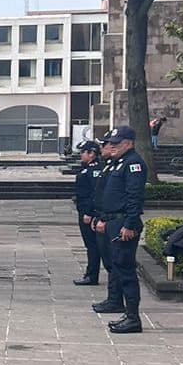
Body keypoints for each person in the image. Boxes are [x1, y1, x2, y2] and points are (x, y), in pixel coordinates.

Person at [92, 125, 147, 334]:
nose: (111, 147)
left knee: (126, 270)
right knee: (116, 266)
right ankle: (121, 306)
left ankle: (133, 317)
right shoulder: (118, 163)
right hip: (113, 221)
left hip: (123, 223)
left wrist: (129, 224)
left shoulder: (134, 164)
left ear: (129, 143)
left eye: (116, 144)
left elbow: (134, 197)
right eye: (111, 144)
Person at [71, 139, 103, 286]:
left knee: (93, 245)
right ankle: (91, 273)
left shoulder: (94, 170)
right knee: (91, 245)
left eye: (83, 152)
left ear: (92, 154)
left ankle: (91, 275)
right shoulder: (88, 169)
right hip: (85, 210)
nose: (81, 155)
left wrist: (88, 212)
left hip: (89, 213)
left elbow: (93, 194)